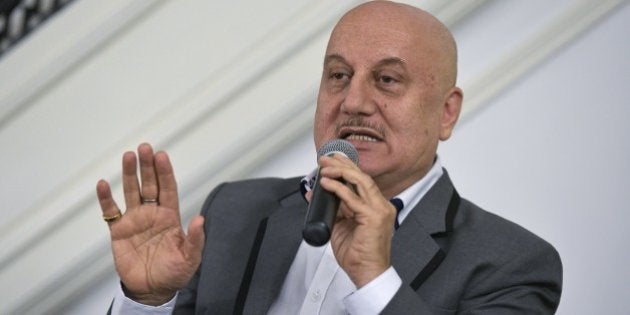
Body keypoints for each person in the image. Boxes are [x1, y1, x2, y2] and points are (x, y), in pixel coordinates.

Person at [96, 1, 562, 314]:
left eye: (387, 80)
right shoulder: (234, 209)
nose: (353, 101)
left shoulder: (512, 264)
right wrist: (148, 301)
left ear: (446, 111)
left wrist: (375, 279)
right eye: (338, 75)